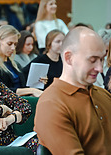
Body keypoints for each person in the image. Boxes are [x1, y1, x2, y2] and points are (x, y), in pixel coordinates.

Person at [34, 26, 111, 154]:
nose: (100, 68)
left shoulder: (103, 95)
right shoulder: (52, 104)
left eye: (102, 59)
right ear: (69, 58)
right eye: (92, 60)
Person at [0, 25, 43, 97]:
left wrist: (38, 81)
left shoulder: (15, 65)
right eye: (9, 44)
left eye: (15, 44)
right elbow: (1, 91)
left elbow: (24, 86)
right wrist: (32, 90)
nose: (13, 48)